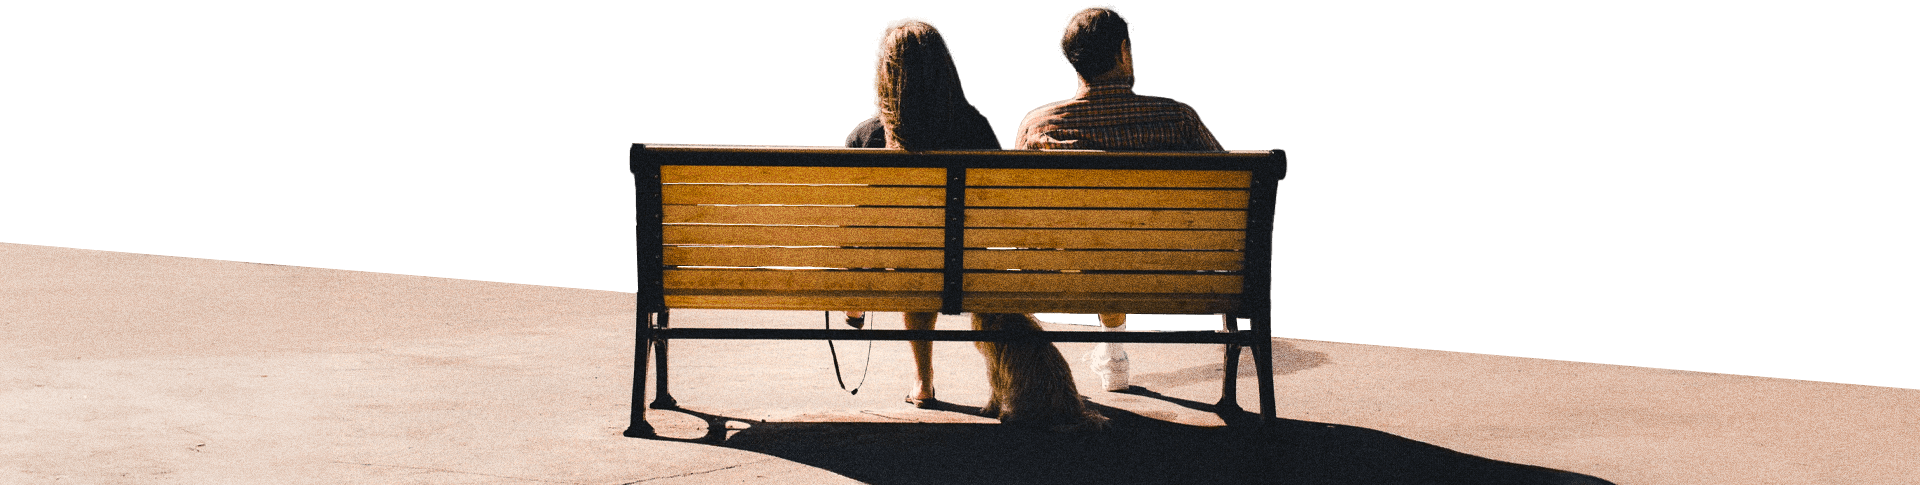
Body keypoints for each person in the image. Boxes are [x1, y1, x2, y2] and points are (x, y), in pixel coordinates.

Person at [1014, 5, 1227, 392]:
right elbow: (1228, 192)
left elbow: (1019, 216)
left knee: (1096, 246)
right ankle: (1112, 352)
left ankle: (1111, 353)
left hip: (1067, 270)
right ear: (1124, 52)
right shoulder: (1177, 119)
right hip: (1173, 269)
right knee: (1116, 244)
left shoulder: (1038, 127)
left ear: (1073, 61)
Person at [842, 17, 1000, 409]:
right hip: (973, 267)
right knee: (938, 252)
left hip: (905, 267)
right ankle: (1002, 384)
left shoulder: (866, 137)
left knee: (913, 258)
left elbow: (854, 226)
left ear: (884, 78)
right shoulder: (977, 129)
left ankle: (923, 381)